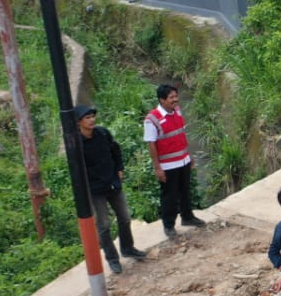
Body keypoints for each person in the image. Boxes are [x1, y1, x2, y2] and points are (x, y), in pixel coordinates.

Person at [75, 105, 146, 274]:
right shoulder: (77, 143)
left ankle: (127, 248)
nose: (92, 120)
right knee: (104, 225)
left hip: (112, 183)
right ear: (79, 122)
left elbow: (116, 150)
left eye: (92, 116)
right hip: (95, 189)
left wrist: (119, 169)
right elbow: (77, 169)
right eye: (87, 118)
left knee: (125, 217)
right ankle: (112, 259)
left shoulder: (102, 133)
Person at [144, 84, 205, 240]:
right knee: (169, 196)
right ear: (162, 100)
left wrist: (188, 155)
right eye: (171, 97)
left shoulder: (177, 111)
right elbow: (151, 144)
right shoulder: (152, 119)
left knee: (185, 191)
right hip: (168, 165)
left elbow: (181, 135)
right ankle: (169, 225)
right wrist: (157, 168)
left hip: (183, 160)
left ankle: (187, 217)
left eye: (176, 96)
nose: (175, 99)